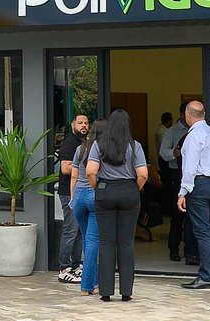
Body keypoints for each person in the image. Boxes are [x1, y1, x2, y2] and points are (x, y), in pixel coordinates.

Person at [86, 108, 148, 302]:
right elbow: (143, 174)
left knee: (106, 243)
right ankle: (126, 292)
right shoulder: (135, 146)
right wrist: (134, 189)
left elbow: (90, 172)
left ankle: (105, 292)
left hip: (105, 190)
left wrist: (99, 188)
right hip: (129, 190)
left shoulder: (98, 144)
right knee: (126, 243)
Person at [175, 100, 210, 289]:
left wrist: (182, 192)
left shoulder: (193, 136)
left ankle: (205, 276)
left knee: (202, 231)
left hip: (199, 184)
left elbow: (189, 167)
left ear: (188, 115)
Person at [54, 114, 90, 283]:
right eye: (80, 123)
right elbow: (65, 168)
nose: (83, 126)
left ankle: (76, 265)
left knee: (79, 230)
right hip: (68, 191)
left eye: (86, 123)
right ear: (73, 125)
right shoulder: (70, 143)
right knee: (71, 229)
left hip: (79, 191)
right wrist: (85, 167)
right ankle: (64, 268)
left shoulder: (84, 142)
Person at [71, 120, 101, 295]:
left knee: (86, 239)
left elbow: (74, 176)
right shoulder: (101, 150)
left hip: (79, 195)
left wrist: (73, 198)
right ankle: (87, 285)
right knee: (93, 240)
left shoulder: (79, 149)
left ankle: (93, 281)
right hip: (93, 193)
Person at [157, 105, 190, 259]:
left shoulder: (197, 131)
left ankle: (191, 250)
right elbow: (163, 152)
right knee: (178, 214)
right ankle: (174, 248)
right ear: (182, 114)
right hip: (177, 173)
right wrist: (174, 153)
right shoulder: (172, 131)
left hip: (194, 175)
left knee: (192, 215)